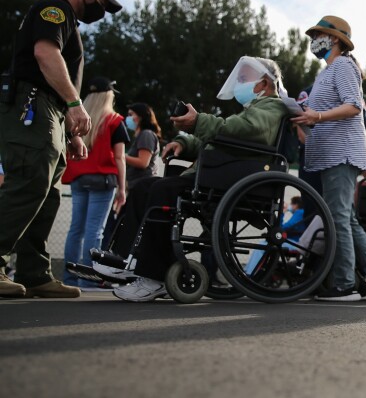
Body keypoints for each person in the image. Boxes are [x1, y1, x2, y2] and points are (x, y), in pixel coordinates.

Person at [109, 56, 292, 301]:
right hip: (221, 174)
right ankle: (122, 258)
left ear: (264, 83)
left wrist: (198, 122)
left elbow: (240, 130)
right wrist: (183, 142)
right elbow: (224, 138)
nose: (239, 82)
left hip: (228, 180)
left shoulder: (272, 107)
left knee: (161, 191)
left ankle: (154, 276)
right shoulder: (255, 109)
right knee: (143, 187)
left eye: (243, 78)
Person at [0, 0, 122, 299]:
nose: (102, 11)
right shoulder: (55, 10)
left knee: (47, 194)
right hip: (33, 105)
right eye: (101, 2)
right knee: (29, 184)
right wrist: (74, 102)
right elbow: (45, 55)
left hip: (48, 112)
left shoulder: (68, 20)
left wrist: (72, 129)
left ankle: (34, 272)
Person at [292, 16, 366, 302]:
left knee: (338, 217)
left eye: (318, 36)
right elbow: (326, 115)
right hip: (332, 152)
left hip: (340, 153)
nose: (313, 41)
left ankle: (344, 285)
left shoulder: (342, 65)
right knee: (346, 218)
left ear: (335, 39)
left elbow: (353, 106)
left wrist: (315, 115)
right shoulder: (326, 73)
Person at [61, 77, 128, 288]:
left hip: (78, 177)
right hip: (103, 179)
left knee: (76, 229)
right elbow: (119, 158)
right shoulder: (114, 120)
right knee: (94, 230)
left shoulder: (77, 118)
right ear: (109, 95)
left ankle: (69, 279)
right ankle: (88, 281)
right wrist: (123, 188)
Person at [124, 103, 162, 188]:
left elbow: (143, 162)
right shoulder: (141, 135)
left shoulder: (146, 134)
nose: (128, 118)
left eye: (131, 114)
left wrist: (120, 156)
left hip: (143, 187)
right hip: (137, 186)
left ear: (141, 117)